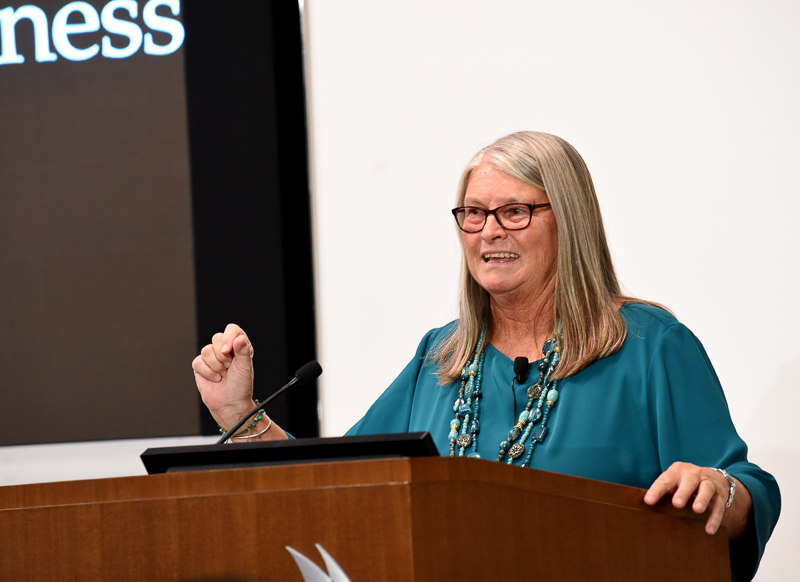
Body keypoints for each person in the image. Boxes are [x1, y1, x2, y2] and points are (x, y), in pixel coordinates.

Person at [192, 131, 780, 581]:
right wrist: (239, 414)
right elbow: (338, 490)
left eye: (514, 211)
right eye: (473, 213)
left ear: (568, 222)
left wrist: (720, 490)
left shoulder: (649, 346)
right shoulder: (441, 356)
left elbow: (743, 486)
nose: (488, 232)